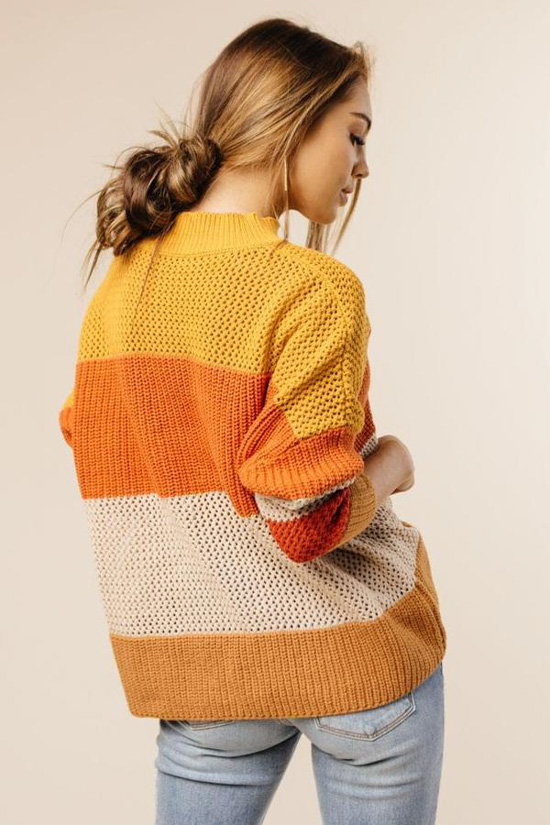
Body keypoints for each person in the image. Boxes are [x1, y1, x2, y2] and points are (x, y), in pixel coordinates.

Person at [58, 16, 446, 825]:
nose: (362, 167)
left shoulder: (124, 286)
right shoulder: (311, 286)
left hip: (203, 673)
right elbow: (309, 520)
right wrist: (394, 463)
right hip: (355, 660)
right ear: (297, 120)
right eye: (356, 134)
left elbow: (89, 437)